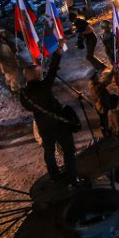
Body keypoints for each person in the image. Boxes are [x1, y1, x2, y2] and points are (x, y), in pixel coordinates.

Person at [20, 51, 78, 183]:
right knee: (68, 150)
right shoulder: (43, 87)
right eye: (40, 73)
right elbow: (52, 71)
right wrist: (58, 51)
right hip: (58, 124)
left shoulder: (23, 93)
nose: (42, 75)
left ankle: (55, 176)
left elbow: (28, 107)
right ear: (36, 75)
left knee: (49, 152)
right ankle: (72, 176)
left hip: (43, 126)